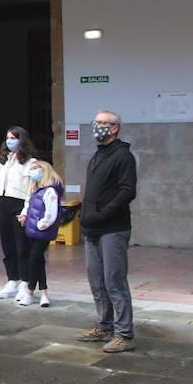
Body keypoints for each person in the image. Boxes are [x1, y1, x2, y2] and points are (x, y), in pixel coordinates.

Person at [77, 110, 137, 353]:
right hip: (92, 228)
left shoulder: (123, 156)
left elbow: (127, 191)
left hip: (113, 228)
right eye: (95, 122)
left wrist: (103, 213)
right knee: (97, 280)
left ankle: (124, 333)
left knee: (114, 280)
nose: (97, 126)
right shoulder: (97, 155)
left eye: (102, 123)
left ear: (114, 128)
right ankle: (105, 325)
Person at [0, 126, 40, 303]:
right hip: (4, 202)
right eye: (7, 137)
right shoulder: (3, 160)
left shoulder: (31, 162)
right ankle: (12, 280)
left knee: (22, 246)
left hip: (20, 204)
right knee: (7, 244)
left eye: (13, 137)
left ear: (21, 140)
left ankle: (25, 282)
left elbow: (32, 189)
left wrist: (26, 210)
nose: (9, 141)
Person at [17, 160, 64, 308]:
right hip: (31, 230)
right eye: (31, 169)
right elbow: (27, 205)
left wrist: (40, 225)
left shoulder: (50, 191)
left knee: (34, 259)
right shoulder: (34, 188)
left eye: (36, 168)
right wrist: (24, 215)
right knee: (38, 261)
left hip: (41, 231)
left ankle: (30, 292)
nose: (33, 171)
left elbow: (51, 213)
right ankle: (44, 293)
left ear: (44, 170)